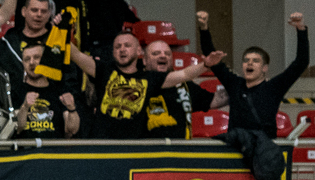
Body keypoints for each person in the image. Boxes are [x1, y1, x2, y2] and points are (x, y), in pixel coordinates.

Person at [198, 10, 310, 180]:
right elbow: (212, 59)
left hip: (262, 156)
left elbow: (301, 62)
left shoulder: (274, 87)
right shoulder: (235, 84)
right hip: (235, 155)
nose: (249, 63)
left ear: (265, 68)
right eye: (246, 60)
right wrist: (204, 28)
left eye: (255, 61)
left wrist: (301, 29)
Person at [68, 32, 220, 139]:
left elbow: (184, 74)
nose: (122, 49)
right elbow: (76, 55)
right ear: (113, 52)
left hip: (134, 149)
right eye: (117, 47)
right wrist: (59, 31)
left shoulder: (150, 78)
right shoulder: (103, 70)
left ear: (138, 50)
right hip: (102, 146)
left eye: (127, 45)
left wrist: (205, 65)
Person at [0, 0, 71, 89]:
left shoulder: (58, 41)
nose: (39, 15)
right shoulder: (7, 43)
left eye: (44, 11)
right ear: (24, 11)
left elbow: (70, 77)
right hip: (14, 96)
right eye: (34, 10)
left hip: (52, 96)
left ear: (49, 14)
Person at [141, 39, 217, 138]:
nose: (163, 56)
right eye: (156, 53)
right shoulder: (137, 83)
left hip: (181, 146)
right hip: (146, 147)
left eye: (168, 54)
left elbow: (213, 100)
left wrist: (235, 88)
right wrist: (206, 65)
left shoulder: (183, 84)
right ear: (144, 60)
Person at [14, 44, 80, 138]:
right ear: (23, 64)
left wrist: (72, 108)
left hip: (53, 146)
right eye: (27, 59)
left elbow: (71, 130)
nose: (31, 62)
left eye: (36, 57)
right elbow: (17, 128)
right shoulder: (16, 90)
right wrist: (25, 107)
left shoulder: (59, 90)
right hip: (26, 146)